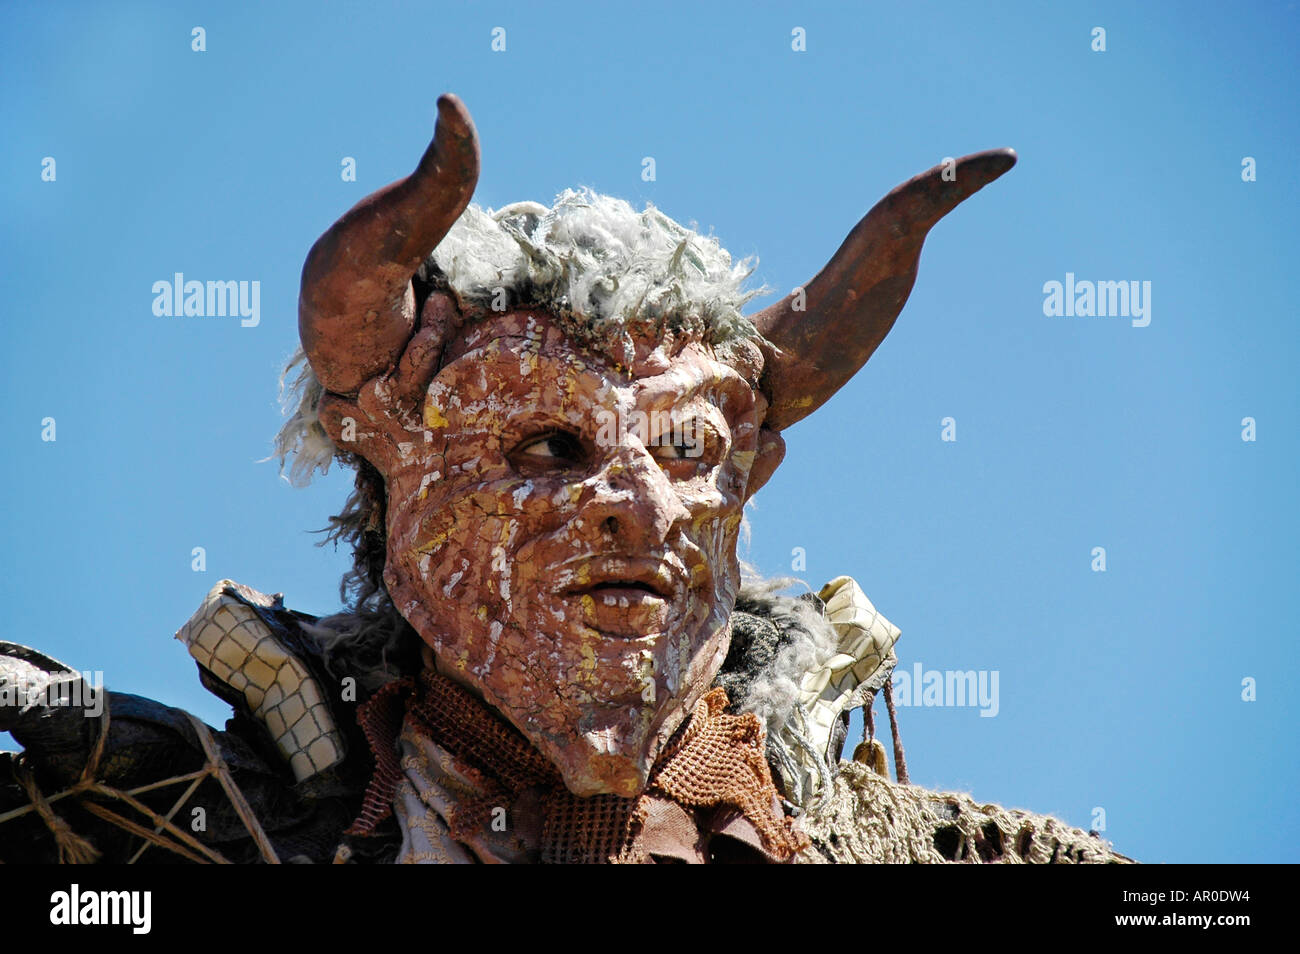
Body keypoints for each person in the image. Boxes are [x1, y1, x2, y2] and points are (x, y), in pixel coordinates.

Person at [0, 95, 1126, 864]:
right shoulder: (149, 838)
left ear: (745, 489)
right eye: (549, 447)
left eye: (689, 452)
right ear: (398, 470)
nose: (641, 506)